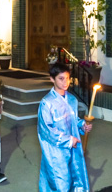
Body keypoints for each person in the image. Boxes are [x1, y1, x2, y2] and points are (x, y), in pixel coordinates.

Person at [37, 63, 92, 191]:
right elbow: (47, 130)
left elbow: (73, 120)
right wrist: (68, 140)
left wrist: (82, 126)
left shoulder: (72, 99)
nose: (65, 82)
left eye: (67, 78)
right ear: (52, 79)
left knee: (75, 178)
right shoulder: (47, 103)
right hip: (56, 152)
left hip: (73, 148)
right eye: (61, 78)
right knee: (60, 182)